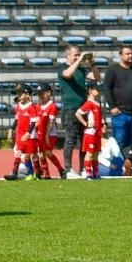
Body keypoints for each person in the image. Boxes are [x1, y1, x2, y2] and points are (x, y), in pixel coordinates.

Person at [102, 46, 132, 177]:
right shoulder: (113, 70)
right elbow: (107, 88)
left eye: (131, 54)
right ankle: (120, 166)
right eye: (127, 54)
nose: (130, 56)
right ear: (120, 56)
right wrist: (112, 106)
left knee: (131, 140)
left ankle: (130, 164)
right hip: (119, 113)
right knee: (119, 141)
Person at [58, 46, 98, 178]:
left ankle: (83, 168)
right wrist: (80, 59)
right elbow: (68, 74)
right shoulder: (62, 68)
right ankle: (68, 169)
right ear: (67, 55)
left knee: (84, 140)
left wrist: (92, 63)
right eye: (75, 55)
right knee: (70, 139)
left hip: (83, 109)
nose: (78, 57)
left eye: (78, 55)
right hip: (70, 109)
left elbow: (97, 77)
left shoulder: (81, 70)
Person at [76, 85, 104, 180]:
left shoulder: (97, 103)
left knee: (96, 153)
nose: (99, 91)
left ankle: (95, 173)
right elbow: (78, 113)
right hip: (90, 132)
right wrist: (86, 123)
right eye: (97, 89)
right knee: (90, 153)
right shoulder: (89, 103)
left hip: (97, 132)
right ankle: (88, 174)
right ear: (91, 91)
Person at [34, 86, 63, 178]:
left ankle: (61, 170)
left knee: (48, 152)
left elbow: (51, 122)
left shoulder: (52, 106)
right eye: (39, 94)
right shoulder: (38, 106)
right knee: (41, 154)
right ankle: (46, 174)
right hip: (40, 134)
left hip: (49, 134)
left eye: (42, 93)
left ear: (49, 93)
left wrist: (46, 134)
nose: (40, 96)